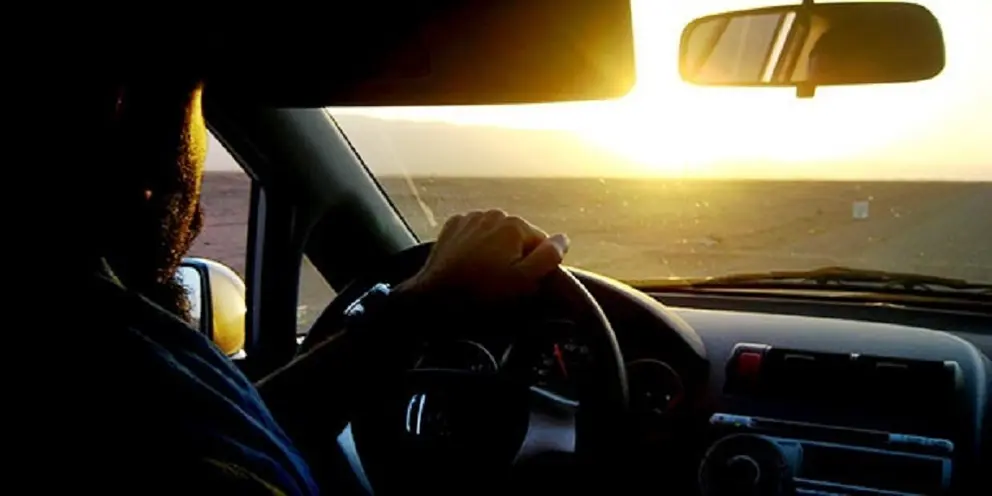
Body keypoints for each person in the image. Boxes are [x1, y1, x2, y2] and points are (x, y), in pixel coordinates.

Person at [39, 79, 570, 494]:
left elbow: (242, 430)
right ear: (128, 114)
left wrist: (421, 308)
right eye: (198, 100)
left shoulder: (113, 359)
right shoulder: (112, 352)